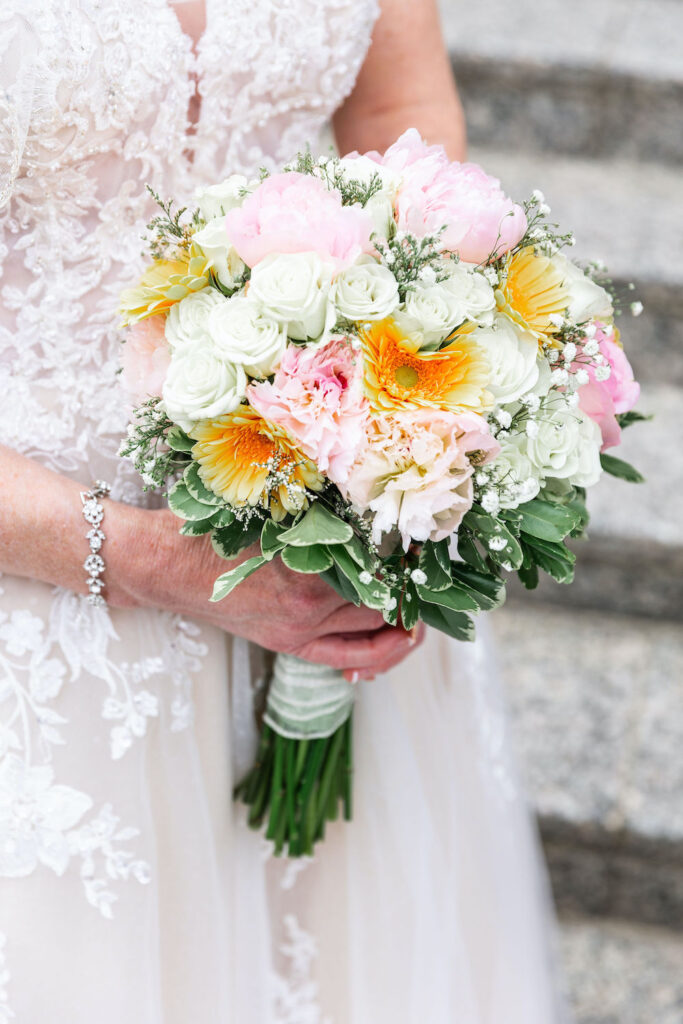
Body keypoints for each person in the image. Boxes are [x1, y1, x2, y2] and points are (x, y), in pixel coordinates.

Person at [0, 1, 566, 1019]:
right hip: (38, 594)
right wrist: (145, 559)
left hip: (308, 535)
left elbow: (402, 111)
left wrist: (403, 401)